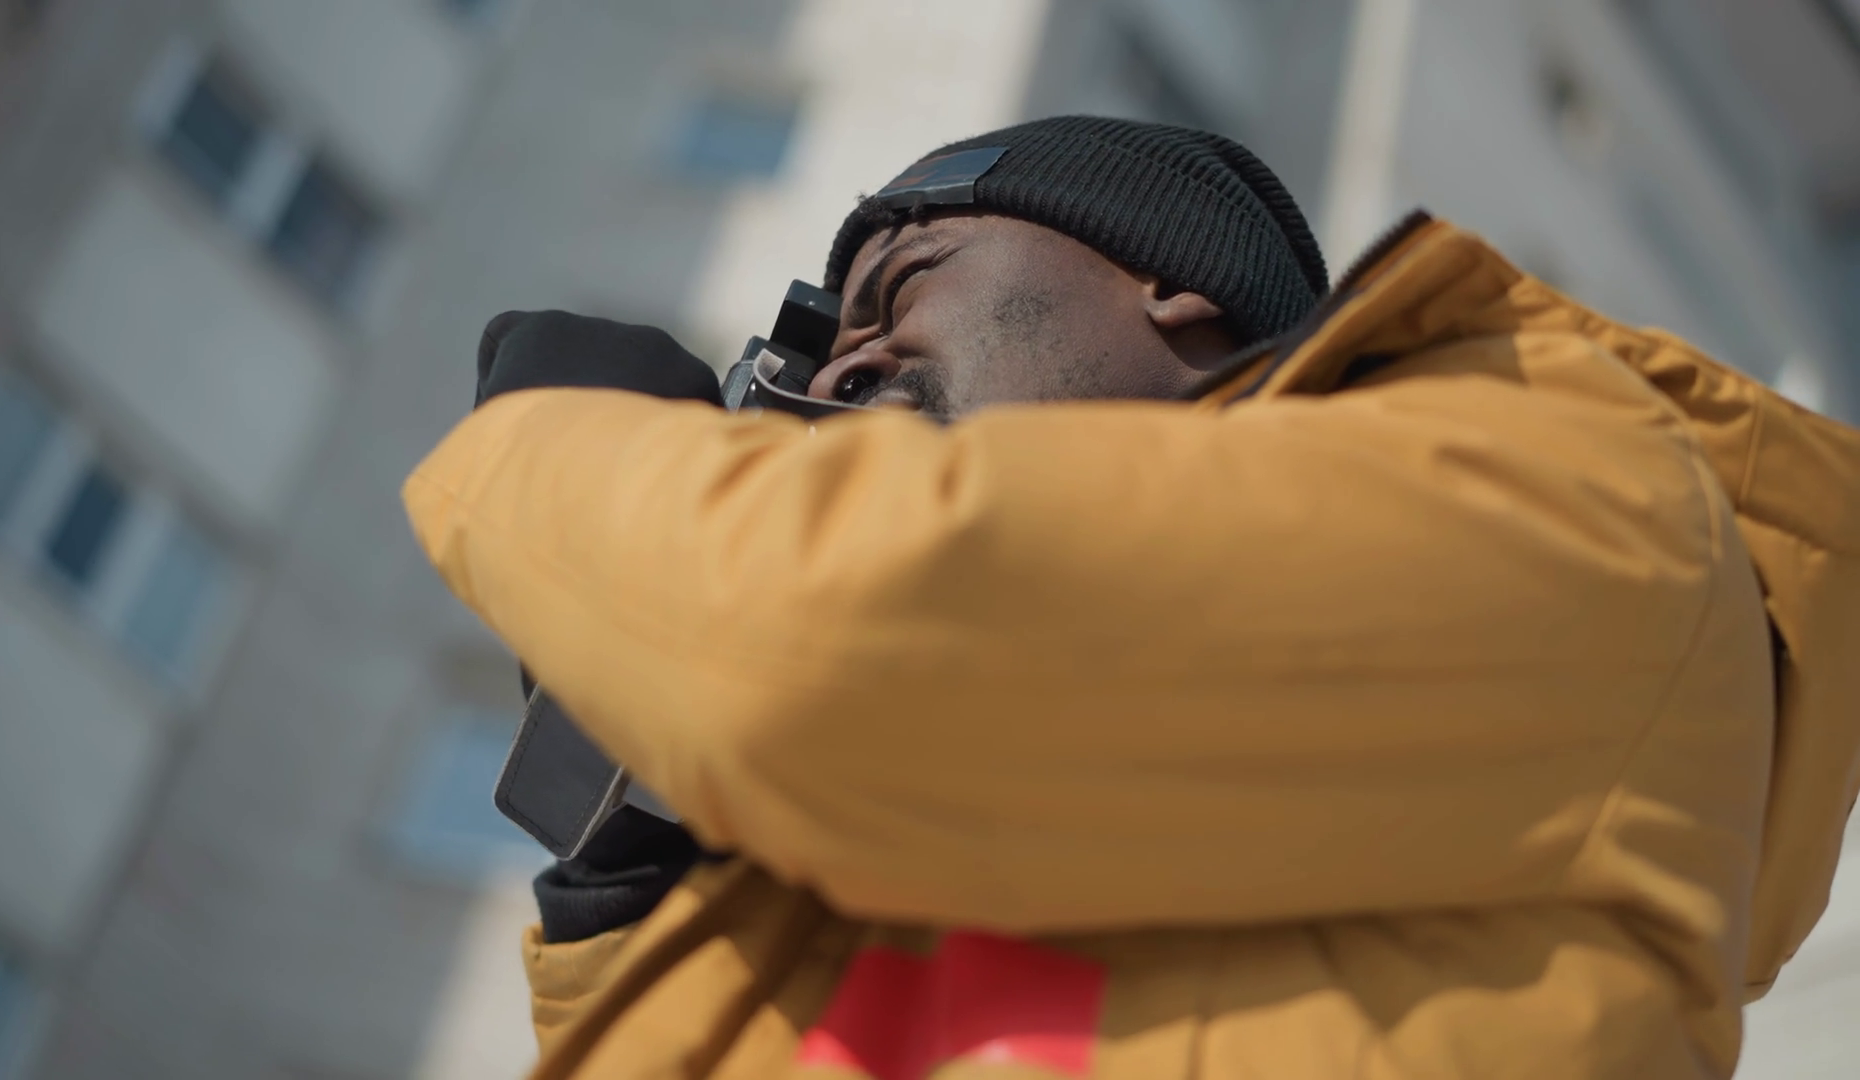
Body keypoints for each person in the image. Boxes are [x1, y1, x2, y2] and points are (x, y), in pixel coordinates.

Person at [403, 116, 1860, 1079]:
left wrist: (553, 448)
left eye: (902, 286)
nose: (839, 369)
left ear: (1174, 284)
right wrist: (635, 883)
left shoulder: (1572, 485)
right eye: (827, 350)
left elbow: (838, 630)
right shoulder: (955, 820)